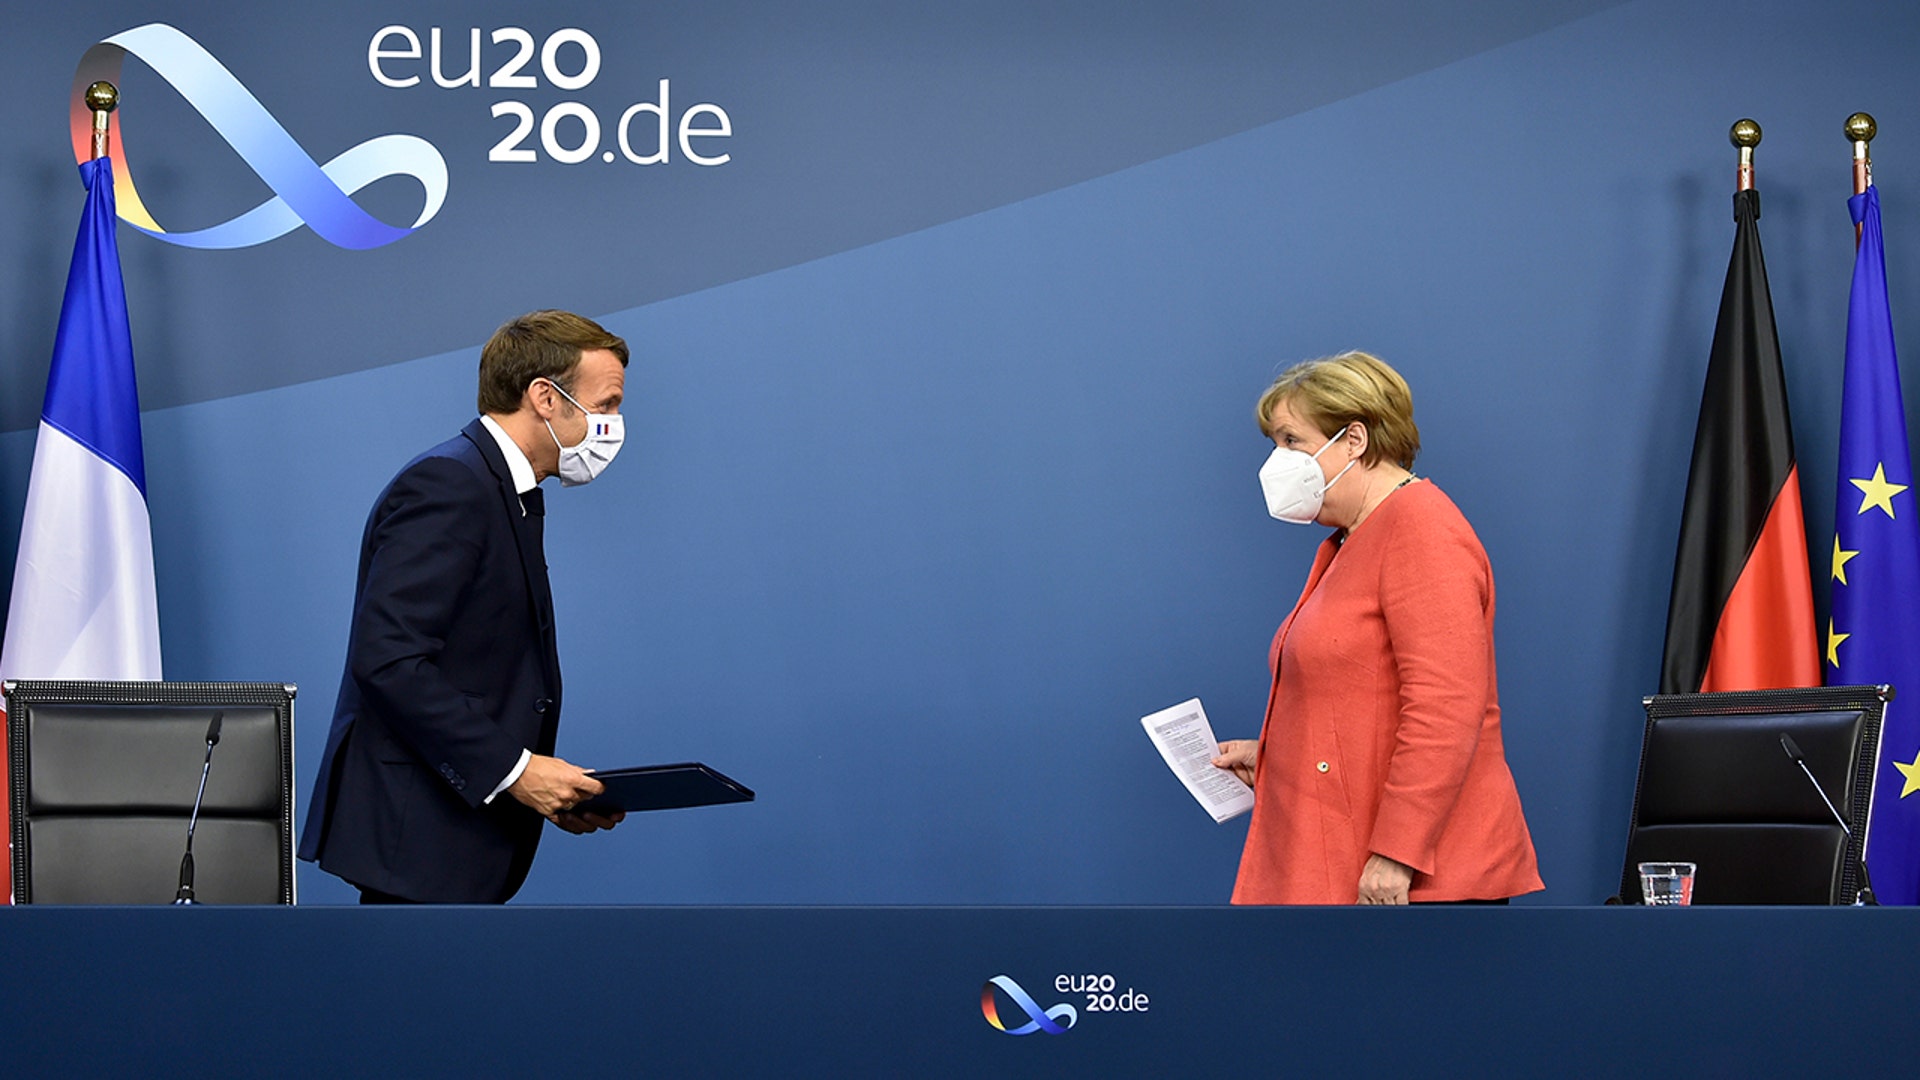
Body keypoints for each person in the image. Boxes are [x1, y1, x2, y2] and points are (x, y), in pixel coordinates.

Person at [299, 310, 632, 903]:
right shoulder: (450, 485)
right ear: (545, 399)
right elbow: (388, 660)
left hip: (459, 834)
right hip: (418, 837)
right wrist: (517, 771)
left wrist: (538, 785)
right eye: (604, 406)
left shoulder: (507, 490)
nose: (613, 425)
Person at [1212, 351, 1542, 905]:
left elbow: (1446, 707)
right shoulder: (1352, 540)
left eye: (1291, 440)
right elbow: (1355, 700)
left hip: (1414, 882)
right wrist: (1274, 754)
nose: (1278, 460)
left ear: (1354, 439)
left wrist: (1399, 851)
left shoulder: (1421, 530)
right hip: (1342, 855)